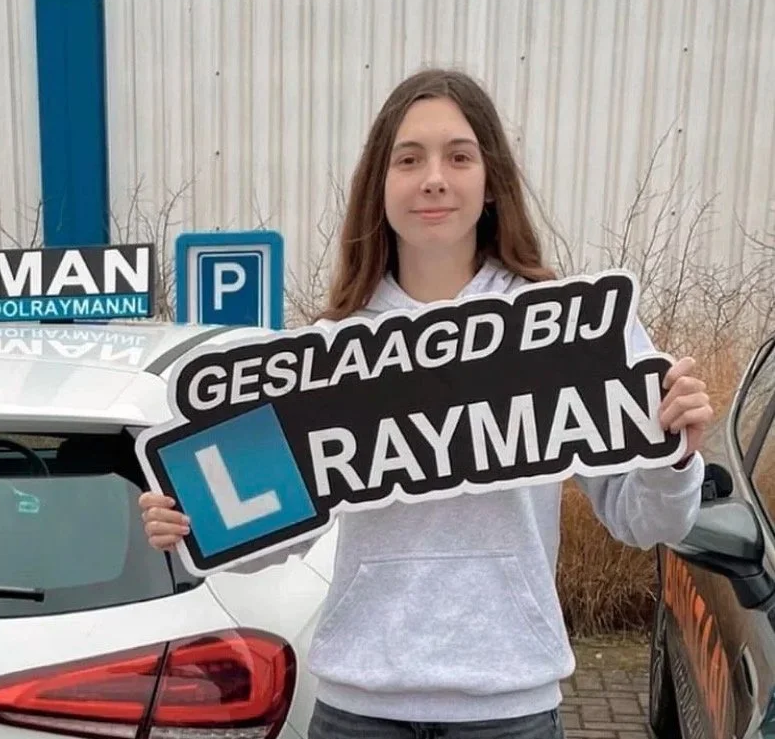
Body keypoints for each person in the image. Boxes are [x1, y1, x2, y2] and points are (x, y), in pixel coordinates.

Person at [138, 68, 713, 739]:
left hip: (508, 705)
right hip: (359, 706)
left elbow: (643, 521)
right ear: (379, 187)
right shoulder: (327, 352)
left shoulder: (569, 328)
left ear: (489, 179)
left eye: (458, 155)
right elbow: (267, 539)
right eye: (408, 158)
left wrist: (674, 456)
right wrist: (191, 519)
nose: (433, 177)